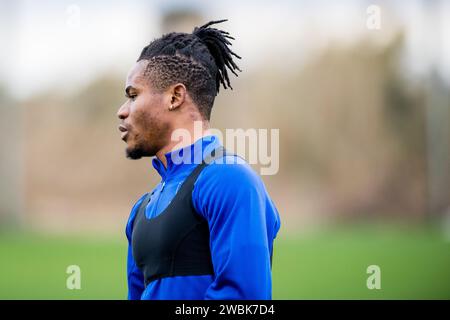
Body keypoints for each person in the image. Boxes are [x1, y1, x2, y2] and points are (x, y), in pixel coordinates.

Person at [116, 19, 281, 300]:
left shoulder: (229, 180)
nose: (122, 111)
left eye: (133, 95)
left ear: (175, 96)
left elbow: (244, 301)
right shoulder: (141, 210)